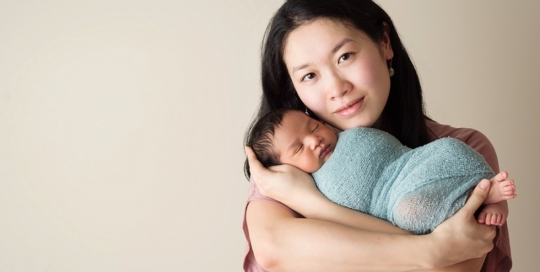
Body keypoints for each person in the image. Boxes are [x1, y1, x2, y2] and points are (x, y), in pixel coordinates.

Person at [242, 0, 512, 271]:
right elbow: (273, 248)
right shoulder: (285, 166)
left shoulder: (464, 148)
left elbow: (457, 267)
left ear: (384, 42)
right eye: (310, 75)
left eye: (344, 56)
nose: (337, 87)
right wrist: (431, 250)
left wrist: (308, 202)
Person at [246, 108, 516, 234]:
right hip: (398, 201)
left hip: (416, 162)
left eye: (313, 126)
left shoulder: (346, 133)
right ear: (285, 170)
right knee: (411, 211)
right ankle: (479, 199)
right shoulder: (312, 189)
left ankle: (488, 188)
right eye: (298, 148)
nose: (314, 140)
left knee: (449, 148)